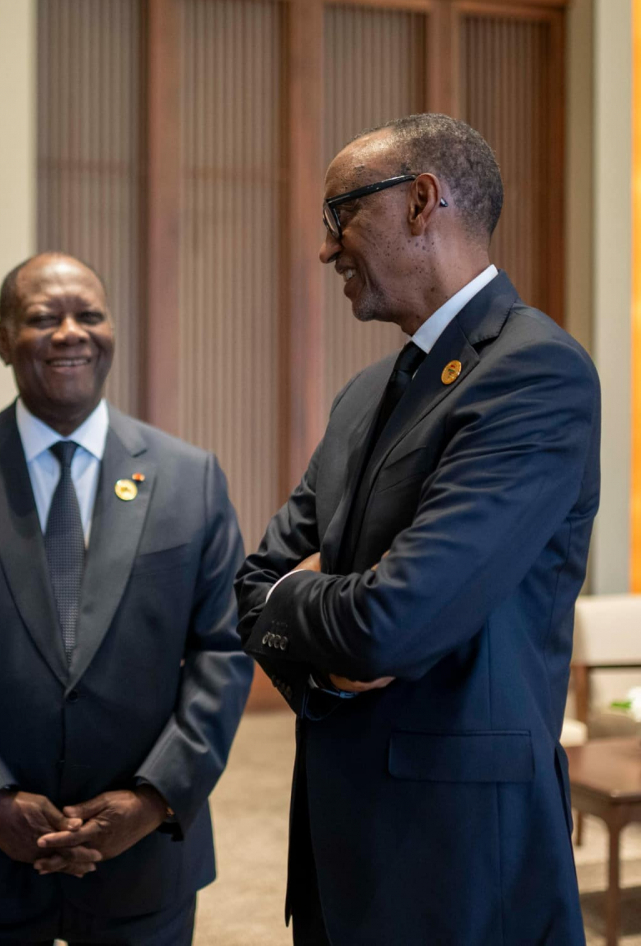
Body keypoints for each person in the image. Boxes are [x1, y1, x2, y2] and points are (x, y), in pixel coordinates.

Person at [235, 114, 600, 946]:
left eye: (340, 217)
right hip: (335, 848)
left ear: (421, 201)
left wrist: (313, 606)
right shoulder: (365, 393)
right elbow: (251, 585)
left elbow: (391, 623)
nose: (327, 249)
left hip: (463, 862)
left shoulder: (535, 373)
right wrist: (323, 638)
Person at [0, 252, 252, 946]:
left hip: (145, 853)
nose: (70, 333)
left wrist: (151, 798)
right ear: (2, 339)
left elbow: (224, 650)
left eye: (89, 315)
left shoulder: (190, 479)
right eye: (42, 317)